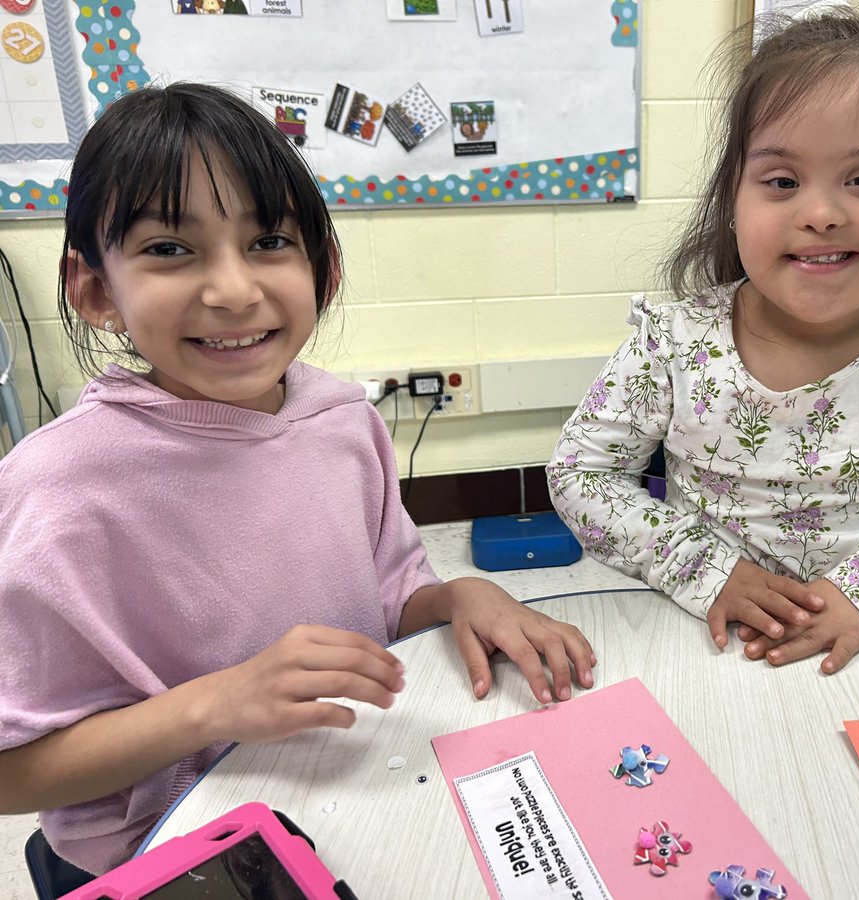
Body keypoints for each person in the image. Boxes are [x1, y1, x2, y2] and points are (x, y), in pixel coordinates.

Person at [0, 83, 594, 876]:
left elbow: (389, 604)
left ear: (324, 265)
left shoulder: (343, 420)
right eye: (169, 249)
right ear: (97, 289)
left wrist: (457, 597)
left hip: (346, 795)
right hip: (160, 858)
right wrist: (213, 703)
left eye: (269, 240)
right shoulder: (56, 487)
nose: (234, 290)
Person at [548, 10, 859, 676]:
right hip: (711, 640)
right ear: (733, 197)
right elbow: (580, 473)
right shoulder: (675, 340)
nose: (820, 213)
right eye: (782, 182)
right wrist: (705, 569)